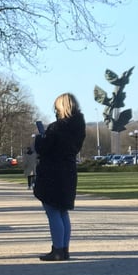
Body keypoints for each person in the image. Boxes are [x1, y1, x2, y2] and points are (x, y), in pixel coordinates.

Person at [33, 92, 86, 261]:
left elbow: (43, 148)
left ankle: (57, 250)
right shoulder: (79, 127)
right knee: (63, 211)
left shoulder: (56, 128)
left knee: (53, 211)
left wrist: (40, 138)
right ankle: (64, 249)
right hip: (68, 170)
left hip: (52, 172)